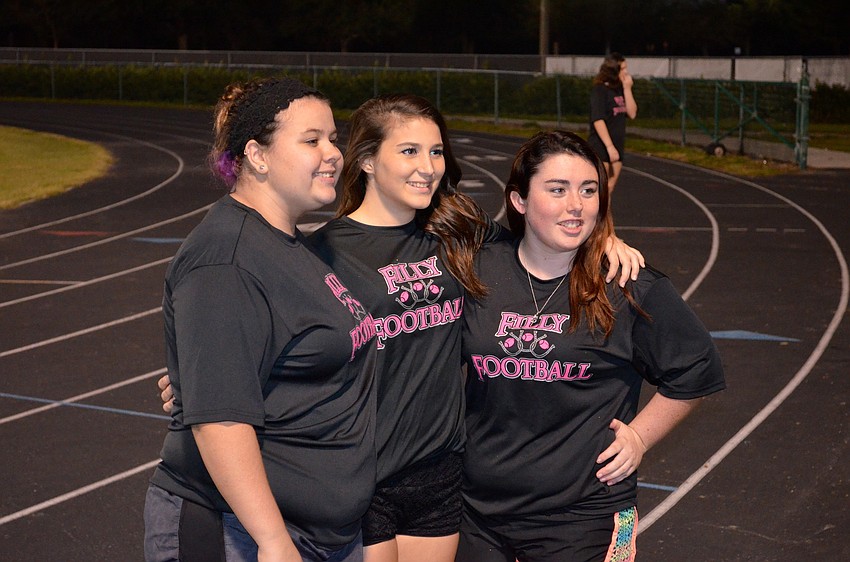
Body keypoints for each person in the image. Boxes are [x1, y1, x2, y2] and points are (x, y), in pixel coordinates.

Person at [158, 95, 644, 562]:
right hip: (364, 475)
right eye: (409, 150)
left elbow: (542, 239)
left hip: (439, 470)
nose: (428, 165)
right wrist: (190, 385)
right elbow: (264, 347)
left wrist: (604, 240)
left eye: (436, 151)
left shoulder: (459, 232)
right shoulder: (321, 252)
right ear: (367, 161)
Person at [455, 130, 725, 562]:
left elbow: (697, 370)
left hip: (583, 515)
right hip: (477, 513)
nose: (576, 205)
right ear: (520, 201)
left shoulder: (627, 284)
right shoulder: (477, 272)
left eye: (588, 190)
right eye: (557, 190)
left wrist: (638, 436)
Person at [144, 77, 379, 562]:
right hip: (244, 533)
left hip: (318, 534)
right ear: (257, 155)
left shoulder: (293, 244)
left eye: (333, 138)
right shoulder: (226, 261)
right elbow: (220, 420)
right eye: (312, 140)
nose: (333, 152)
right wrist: (272, 540)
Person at [586, 52, 638, 194]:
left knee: (609, 189)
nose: (626, 72)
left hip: (617, 145)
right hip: (601, 146)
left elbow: (632, 113)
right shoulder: (600, 90)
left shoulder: (620, 90)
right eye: (623, 69)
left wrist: (627, 89)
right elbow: (598, 120)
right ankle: (596, 217)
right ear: (613, 71)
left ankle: (606, 217)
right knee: (599, 190)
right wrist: (609, 147)